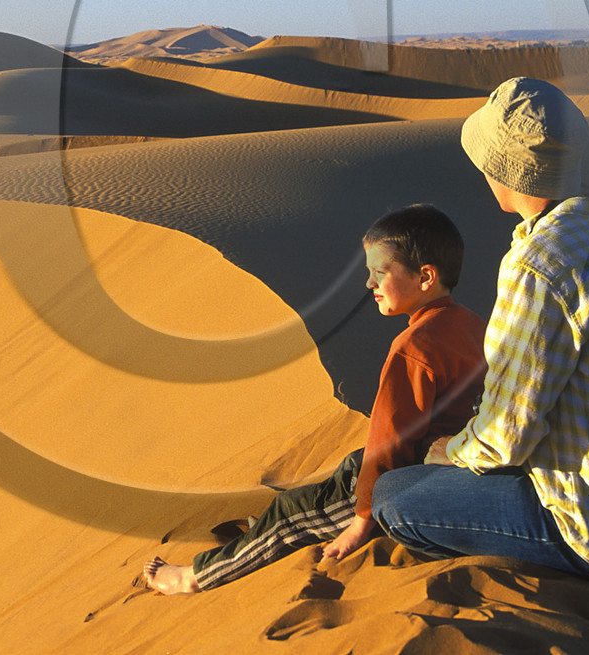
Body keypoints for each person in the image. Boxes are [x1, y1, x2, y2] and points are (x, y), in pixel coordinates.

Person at [372, 77, 589, 587]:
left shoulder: (537, 265)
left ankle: (536, 586)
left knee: (394, 498)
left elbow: (505, 435)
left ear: (502, 169)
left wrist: (450, 452)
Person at [143, 204, 488, 594]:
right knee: (349, 466)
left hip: (414, 478)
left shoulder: (412, 348)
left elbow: (391, 441)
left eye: (379, 273)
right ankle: (287, 523)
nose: (369, 284)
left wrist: (362, 521)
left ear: (425, 277)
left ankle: (194, 577)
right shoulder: (471, 324)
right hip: (443, 464)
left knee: (287, 513)